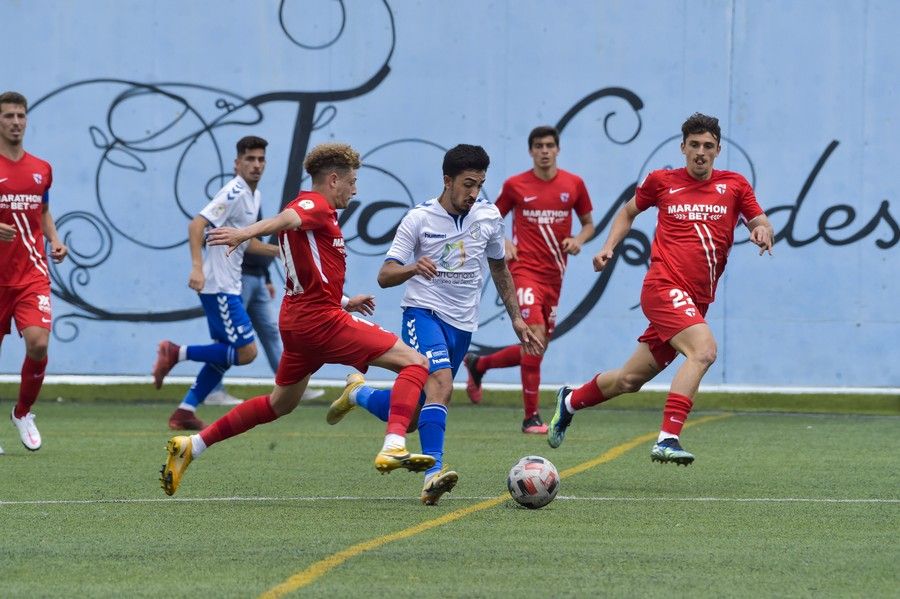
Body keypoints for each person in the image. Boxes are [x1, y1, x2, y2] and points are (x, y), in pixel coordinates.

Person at [159, 142, 434, 496]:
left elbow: (304, 271)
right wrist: (245, 232)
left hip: (301, 321)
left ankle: (193, 445)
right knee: (416, 363)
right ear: (333, 179)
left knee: (280, 403)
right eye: (352, 181)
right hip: (321, 322)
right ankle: (394, 443)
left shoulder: (319, 214)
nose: (356, 189)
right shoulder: (313, 204)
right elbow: (287, 218)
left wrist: (346, 300)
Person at [547, 113, 774, 464]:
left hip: (695, 302)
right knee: (704, 351)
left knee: (628, 380)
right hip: (662, 287)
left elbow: (759, 220)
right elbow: (627, 212)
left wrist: (761, 231)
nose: (701, 152)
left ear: (718, 150)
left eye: (708, 146)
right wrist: (608, 246)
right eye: (694, 145)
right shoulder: (662, 181)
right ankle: (668, 438)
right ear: (683, 147)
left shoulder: (734, 185)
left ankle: (570, 399)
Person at [324, 144, 542, 505]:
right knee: (440, 384)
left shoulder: (487, 217)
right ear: (447, 180)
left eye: (480, 184)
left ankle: (357, 393)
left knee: (412, 415)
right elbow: (385, 274)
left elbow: (499, 267)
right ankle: (432, 476)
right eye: (468, 184)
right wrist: (413, 267)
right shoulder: (419, 219)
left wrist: (517, 318)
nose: (473, 193)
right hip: (423, 313)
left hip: (462, 325)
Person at [463, 125, 594, 433]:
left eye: (549, 145)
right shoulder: (515, 185)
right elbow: (490, 217)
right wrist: (504, 242)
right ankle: (530, 418)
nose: (544, 150)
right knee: (533, 339)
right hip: (524, 272)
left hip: (554, 276)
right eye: (538, 145)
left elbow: (588, 223)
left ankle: (478, 365)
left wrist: (579, 240)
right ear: (531, 150)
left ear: (558, 149)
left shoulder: (574, 184)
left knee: (536, 347)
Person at [151, 135, 280, 430]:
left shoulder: (253, 196)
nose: (256, 165)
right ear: (237, 163)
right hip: (218, 286)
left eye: (261, 159)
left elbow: (248, 242)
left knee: (224, 351)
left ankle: (184, 411)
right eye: (250, 159)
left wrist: (280, 251)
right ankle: (175, 351)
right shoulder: (234, 191)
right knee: (246, 352)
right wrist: (197, 267)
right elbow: (197, 224)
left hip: (229, 284)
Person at [0, 91, 68, 454]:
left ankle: (23, 412)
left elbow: (42, 212)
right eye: (9, 115)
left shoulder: (41, 168)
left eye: (20, 116)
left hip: (31, 274)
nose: (15, 122)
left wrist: (56, 240)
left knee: (39, 343)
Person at [205, 222, 325, 406]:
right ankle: (213, 389)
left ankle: (292, 387)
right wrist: (198, 265)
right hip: (237, 277)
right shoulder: (233, 197)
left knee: (271, 331)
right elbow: (205, 229)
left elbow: (252, 240)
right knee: (228, 337)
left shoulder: (253, 199)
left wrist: (266, 277)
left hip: (258, 277)